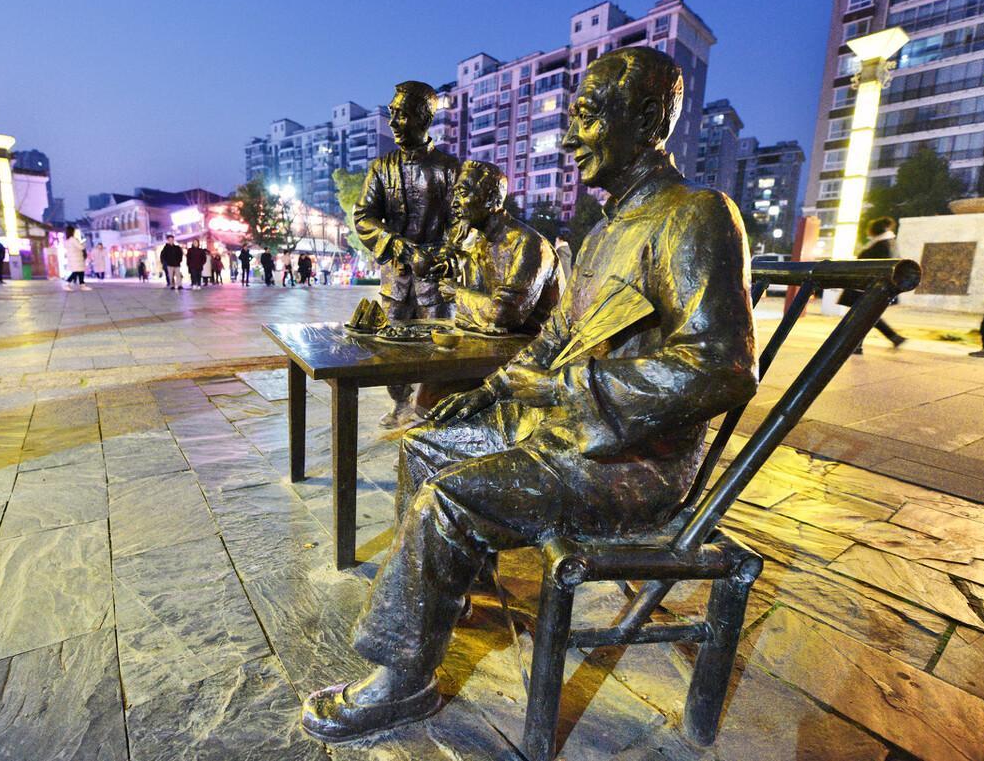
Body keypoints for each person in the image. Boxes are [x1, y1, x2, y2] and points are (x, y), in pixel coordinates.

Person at [301, 47, 757, 744]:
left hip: (631, 461)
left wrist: (568, 387)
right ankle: (445, 599)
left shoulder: (695, 215)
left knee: (446, 499)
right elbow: (553, 342)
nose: (570, 138)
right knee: (425, 444)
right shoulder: (604, 233)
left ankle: (403, 679)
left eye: (588, 117)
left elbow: (722, 367)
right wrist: (488, 393)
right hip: (565, 431)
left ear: (645, 121)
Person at [354, 80, 460, 427]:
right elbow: (364, 216)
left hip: (435, 280)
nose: (393, 122)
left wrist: (443, 256)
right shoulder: (381, 168)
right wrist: (398, 246)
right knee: (393, 347)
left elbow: (462, 223)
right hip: (396, 279)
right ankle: (401, 404)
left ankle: (431, 410)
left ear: (423, 119)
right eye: (392, 113)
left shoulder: (449, 168)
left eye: (401, 114)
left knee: (438, 349)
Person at [441, 160, 558, 336]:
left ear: (490, 198)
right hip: (491, 339)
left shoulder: (528, 243)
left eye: (463, 193)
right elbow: (475, 308)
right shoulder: (476, 242)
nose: (454, 203)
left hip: (533, 343)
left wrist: (457, 293)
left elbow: (504, 314)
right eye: (455, 194)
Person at [841, 217, 905, 353]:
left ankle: (891, 337)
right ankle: (860, 345)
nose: (867, 231)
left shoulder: (881, 245)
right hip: (873, 287)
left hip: (868, 288)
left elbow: (867, 264)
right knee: (865, 315)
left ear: (874, 230)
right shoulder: (886, 243)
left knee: (864, 315)